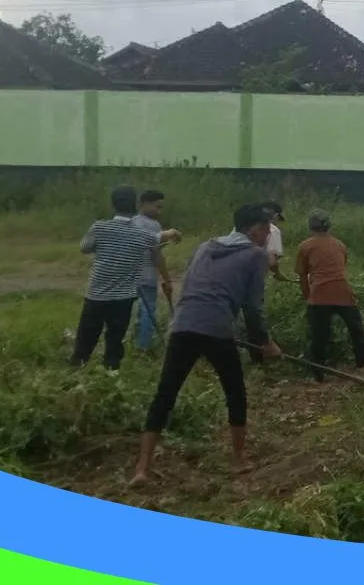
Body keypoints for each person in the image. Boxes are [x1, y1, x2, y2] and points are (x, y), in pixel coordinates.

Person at [131, 204, 283, 487]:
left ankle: (142, 468)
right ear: (253, 229)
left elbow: (191, 284)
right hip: (217, 327)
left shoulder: (205, 246)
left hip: (183, 324)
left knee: (165, 394)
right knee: (235, 391)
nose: (267, 234)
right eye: (265, 229)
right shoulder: (255, 255)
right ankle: (238, 459)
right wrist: (265, 344)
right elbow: (253, 308)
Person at [71, 185, 181, 372]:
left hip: (96, 294)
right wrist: (172, 233)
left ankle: (76, 370)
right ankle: (111, 372)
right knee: (115, 339)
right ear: (136, 205)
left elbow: (85, 247)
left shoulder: (99, 227)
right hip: (123, 297)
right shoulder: (142, 235)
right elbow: (159, 238)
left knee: (86, 336)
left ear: (113, 205)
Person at [295, 209, 364, 380]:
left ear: (310, 226)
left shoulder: (305, 246)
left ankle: (318, 372)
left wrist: (307, 297)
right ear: (329, 226)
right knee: (356, 331)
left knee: (319, 335)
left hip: (319, 294)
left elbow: (302, 276)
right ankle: (361, 364)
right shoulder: (340, 245)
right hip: (343, 292)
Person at [132, 189, 175, 354]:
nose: (159, 211)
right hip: (147, 276)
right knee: (147, 312)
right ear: (145, 204)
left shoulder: (131, 222)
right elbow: (157, 255)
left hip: (130, 276)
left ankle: (133, 342)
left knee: (135, 311)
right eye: (157, 207)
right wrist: (167, 278)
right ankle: (143, 347)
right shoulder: (154, 225)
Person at [259, 201, 293, 282]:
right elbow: (272, 262)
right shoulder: (273, 230)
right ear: (276, 216)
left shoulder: (242, 226)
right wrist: (278, 273)